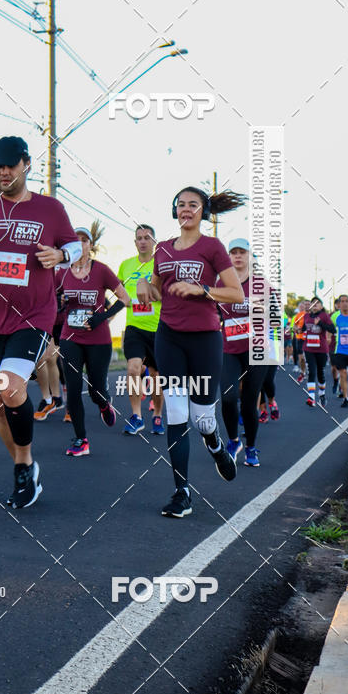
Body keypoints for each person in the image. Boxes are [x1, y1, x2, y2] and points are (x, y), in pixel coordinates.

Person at [0, 136, 81, 508]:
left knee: (11, 388)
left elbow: (74, 248)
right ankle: (26, 466)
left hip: (35, 316)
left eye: (10, 164)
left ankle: (23, 466)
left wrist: (59, 253)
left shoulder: (50, 209)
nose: (3, 172)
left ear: (26, 164)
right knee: (1, 408)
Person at [138, 186, 245, 518]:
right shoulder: (163, 250)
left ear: (203, 212)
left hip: (205, 339)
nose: (186, 209)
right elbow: (156, 289)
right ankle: (181, 491)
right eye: (181, 204)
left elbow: (236, 294)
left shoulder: (212, 247)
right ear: (175, 210)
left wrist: (203, 289)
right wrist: (146, 288)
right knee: (175, 413)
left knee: (201, 418)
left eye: (193, 205)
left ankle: (214, 443)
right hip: (169, 337)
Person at [56, 224, 130, 456]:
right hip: (70, 337)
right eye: (75, 240)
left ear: (90, 245)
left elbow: (124, 299)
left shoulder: (101, 270)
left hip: (98, 339)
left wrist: (103, 317)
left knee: (97, 389)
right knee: (74, 388)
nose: (80, 244)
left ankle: (104, 403)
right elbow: (51, 300)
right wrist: (61, 302)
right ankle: (81, 439)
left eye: (84, 240)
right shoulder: (62, 272)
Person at [219, 238, 269, 468]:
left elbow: (274, 315)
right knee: (228, 397)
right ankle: (233, 441)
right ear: (228, 257)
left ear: (250, 256)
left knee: (249, 403)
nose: (237, 256)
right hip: (229, 348)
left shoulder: (260, 284)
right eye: (233, 252)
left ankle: (251, 447)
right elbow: (212, 314)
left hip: (256, 351)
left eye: (242, 252)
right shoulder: (221, 284)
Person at [118, 224, 165, 436]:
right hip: (134, 327)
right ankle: (136, 416)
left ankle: (157, 414)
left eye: (147, 237)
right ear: (135, 242)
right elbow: (117, 289)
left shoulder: (161, 265)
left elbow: (167, 295)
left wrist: (148, 291)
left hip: (158, 328)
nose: (143, 241)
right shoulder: (126, 266)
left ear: (154, 241)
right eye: (139, 238)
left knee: (155, 376)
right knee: (133, 368)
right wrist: (123, 299)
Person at [33, 265, 68, 421]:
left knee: (60, 361)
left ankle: (63, 400)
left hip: (65, 321)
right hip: (45, 319)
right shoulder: (40, 259)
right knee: (45, 358)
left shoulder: (67, 262)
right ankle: (51, 399)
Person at [303, 297, 335, 407]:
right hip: (308, 348)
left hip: (321, 349)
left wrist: (321, 323)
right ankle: (311, 397)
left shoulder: (324, 316)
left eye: (317, 303)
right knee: (311, 371)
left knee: (320, 372)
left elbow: (333, 330)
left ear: (321, 306)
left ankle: (322, 394)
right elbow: (304, 328)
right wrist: (297, 329)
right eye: (313, 303)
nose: (315, 305)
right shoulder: (306, 316)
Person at [332, 294, 348, 408]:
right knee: (342, 374)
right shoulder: (335, 316)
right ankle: (346, 398)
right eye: (342, 301)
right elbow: (330, 328)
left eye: (347, 301)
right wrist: (328, 337)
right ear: (339, 304)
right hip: (340, 350)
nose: (344, 303)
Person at [329, 298, 341, 397]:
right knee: (334, 368)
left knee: (342, 367)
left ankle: (341, 386)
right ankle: (336, 380)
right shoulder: (331, 316)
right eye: (337, 304)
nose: (339, 305)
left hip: (345, 346)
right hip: (332, 345)